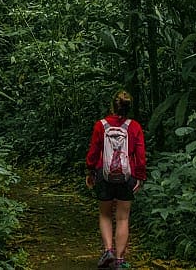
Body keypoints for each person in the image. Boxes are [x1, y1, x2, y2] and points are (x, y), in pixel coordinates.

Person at [85, 90, 146, 269]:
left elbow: (94, 151)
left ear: (112, 105)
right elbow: (140, 156)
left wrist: (90, 170)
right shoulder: (134, 127)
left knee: (105, 214)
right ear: (129, 107)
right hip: (127, 176)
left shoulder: (100, 125)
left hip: (103, 175)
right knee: (123, 218)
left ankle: (107, 251)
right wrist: (140, 177)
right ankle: (119, 260)